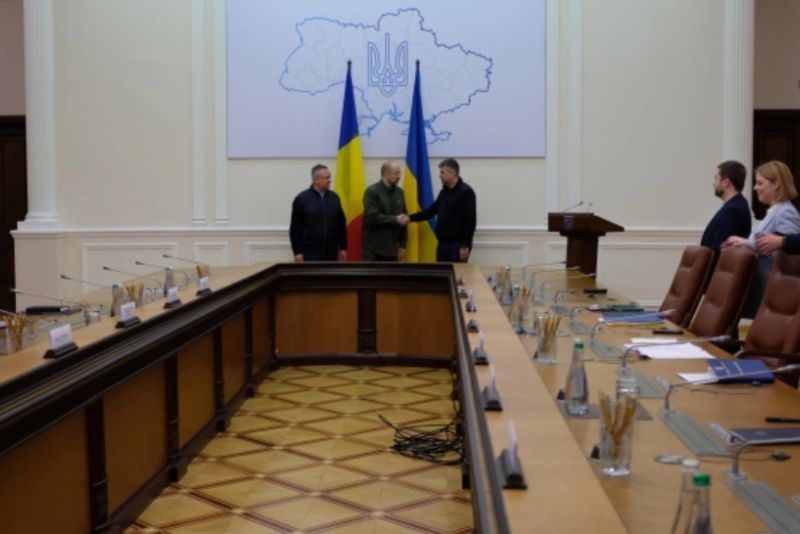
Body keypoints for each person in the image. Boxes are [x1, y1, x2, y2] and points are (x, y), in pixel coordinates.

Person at [722, 160, 800, 316]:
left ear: (776, 184)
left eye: (759, 183)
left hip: (775, 289)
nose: (755, 188)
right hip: (761, 284)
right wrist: (742, 243)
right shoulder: (774, 211)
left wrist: (746, 242)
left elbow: (788, 258)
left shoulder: (786, 212)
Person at [409, 158, 477, 262]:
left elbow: (471, 221)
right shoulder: (444, 192)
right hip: (442, 244)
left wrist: (465, 245)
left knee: (456, 272)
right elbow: (430, 212)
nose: (440, 175)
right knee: (441, 272)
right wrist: (409, 218)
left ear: (452, 173)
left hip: (458, 246)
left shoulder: (466, 192)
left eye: (442, 172)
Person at [289, 164, 347, 262]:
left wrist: (343, 247)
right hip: (309, 253)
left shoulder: (334, 198)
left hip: (331, 252)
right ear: (316, 180)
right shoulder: (302, 199)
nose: (329, 180)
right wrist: (297, 252)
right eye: (326, 178)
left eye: (329, 177)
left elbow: (341, 225)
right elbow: (295, 228)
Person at [700, 160, 751, 253]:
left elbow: (719, 247)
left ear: (726, 182)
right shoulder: (734, 205)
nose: (713, 183)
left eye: (716, 178)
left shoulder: (733, 210)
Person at [361, 161, 408, 261]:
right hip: (373, 251)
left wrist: (402, 245)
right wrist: (395, 219)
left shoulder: (400, 192)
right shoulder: (372, 191)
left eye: (399, 173)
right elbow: (372, 217)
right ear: (386, 173)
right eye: (396, 173)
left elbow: (404, 219)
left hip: (393, 250)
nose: (399, 176)